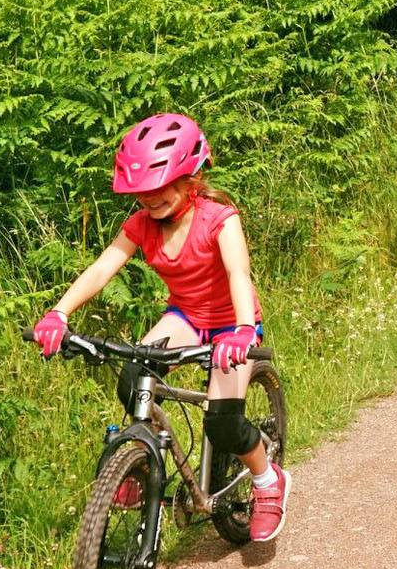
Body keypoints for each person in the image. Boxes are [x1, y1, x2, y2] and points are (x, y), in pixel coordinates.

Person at [28, 114, 288, 542]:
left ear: (192, 177)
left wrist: (243, 330)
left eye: (160, 186)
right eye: (141, 191)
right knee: (133, 379)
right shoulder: (141, 225)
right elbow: (101, 269)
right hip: (185, 316)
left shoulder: (219, 218)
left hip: (229, 324)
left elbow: (239, 274)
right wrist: (59, 313)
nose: (149, 198)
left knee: (223, 425)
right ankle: (143, 463)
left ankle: (266, 480)